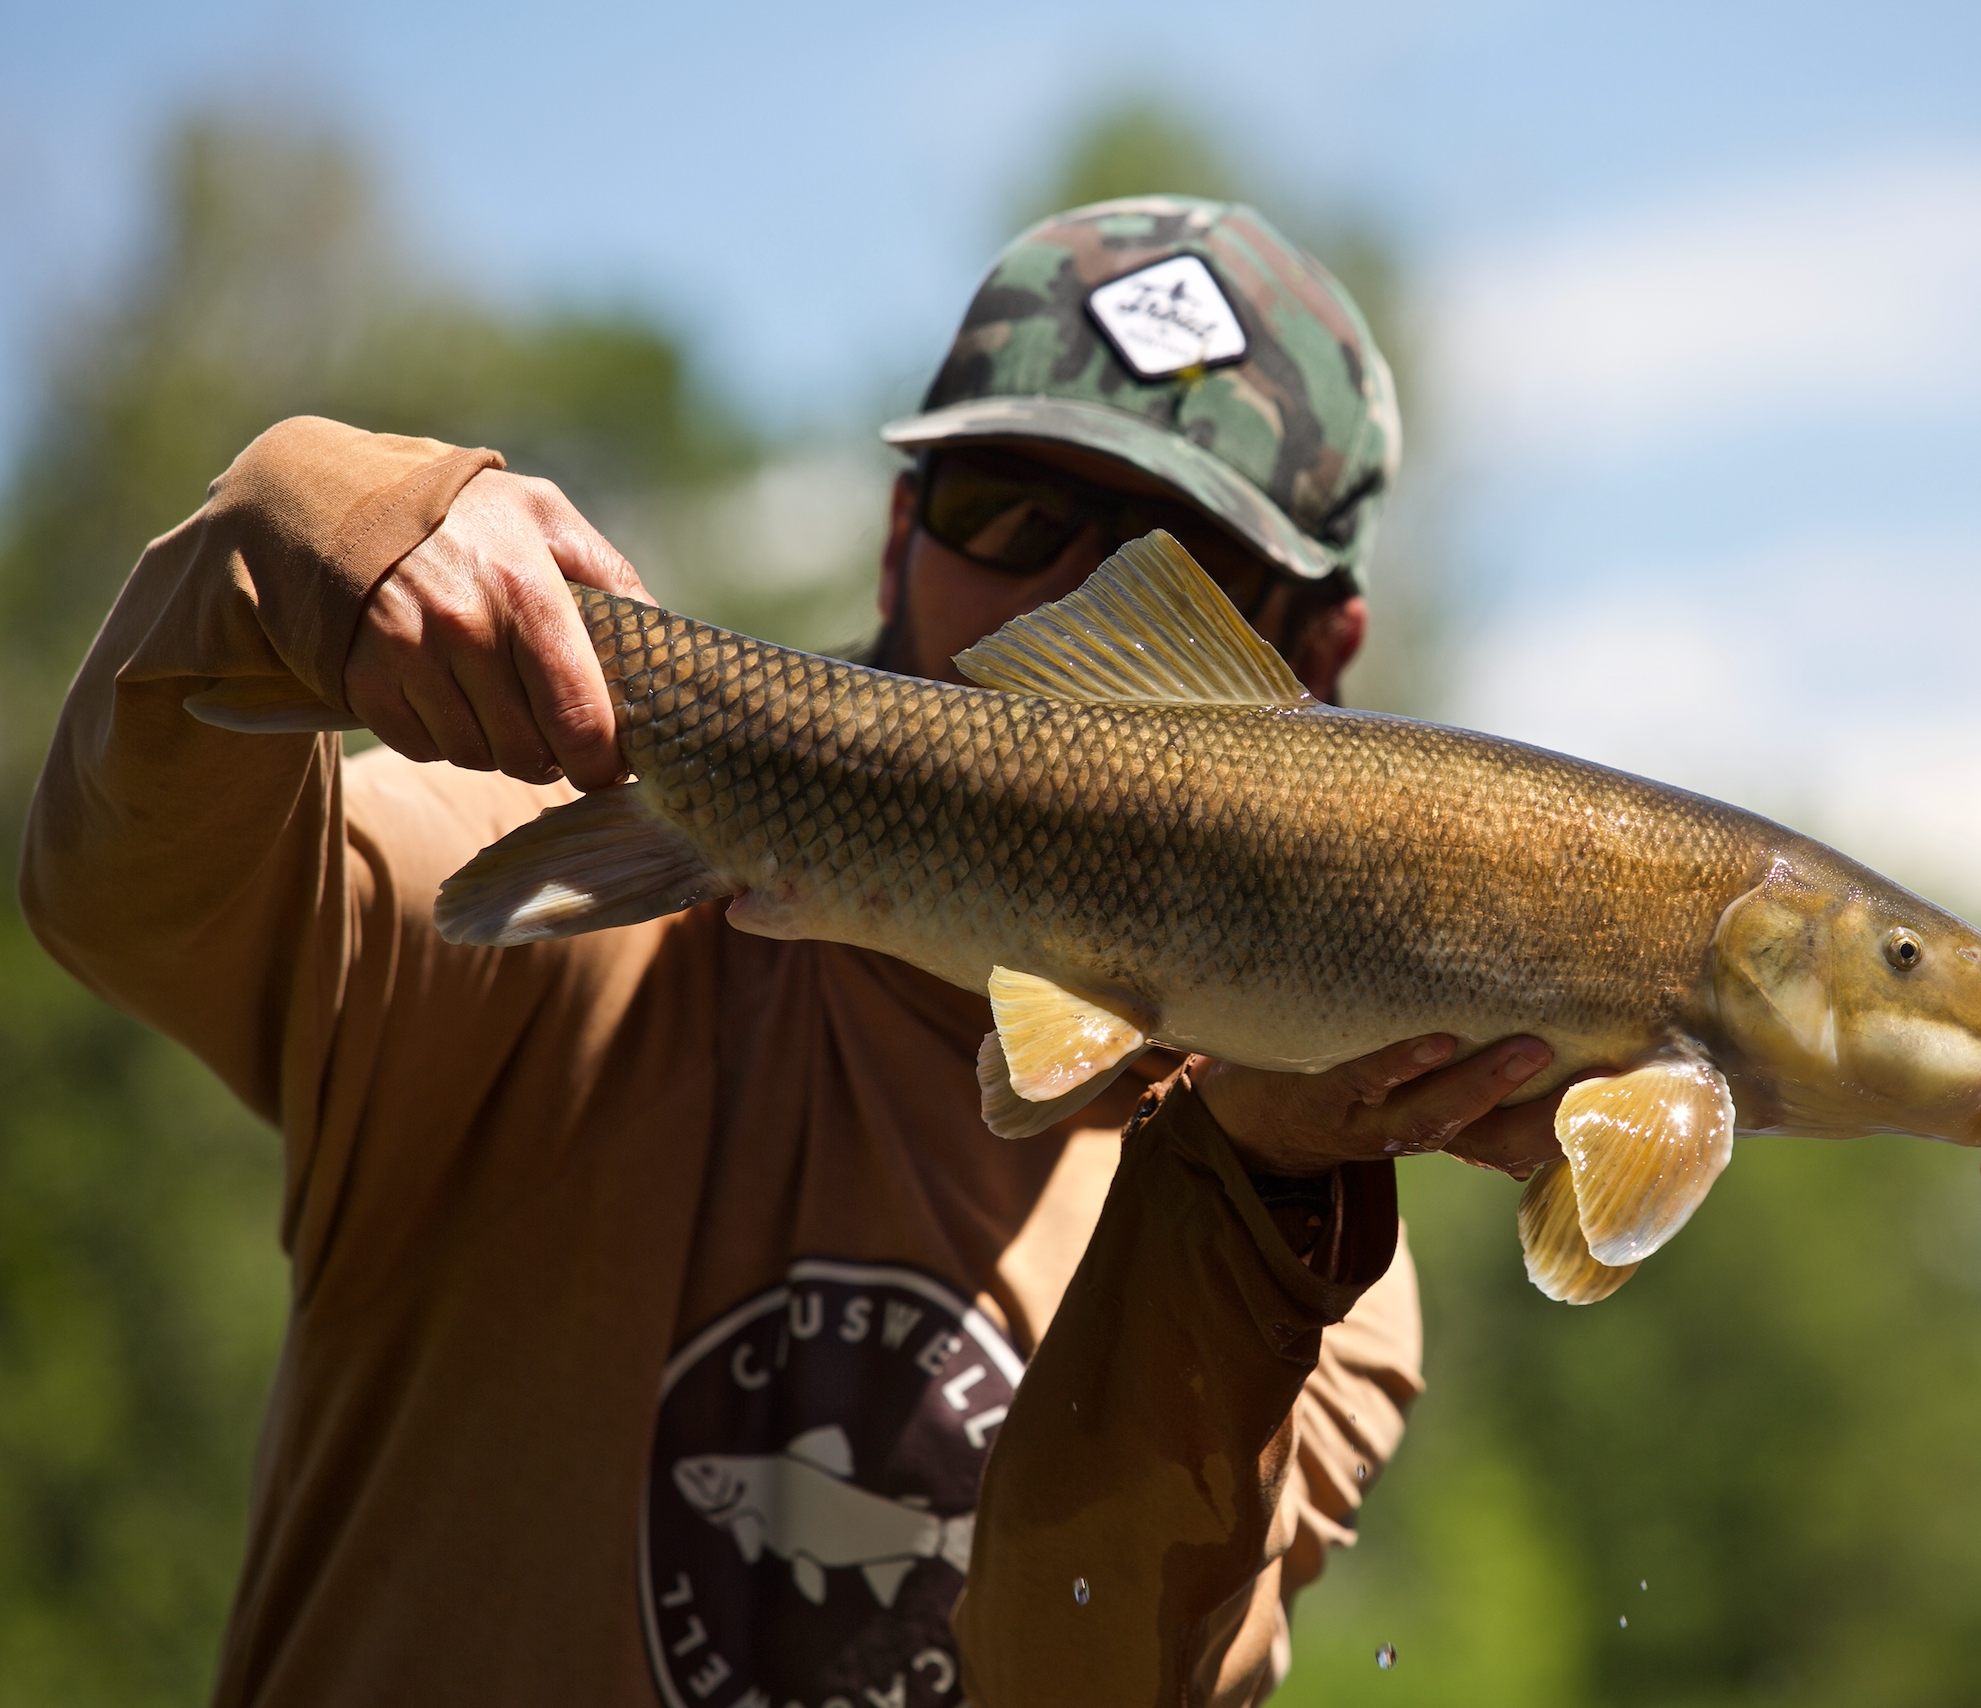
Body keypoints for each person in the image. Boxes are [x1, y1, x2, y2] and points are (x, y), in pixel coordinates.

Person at [21, 197, 1564, 1707]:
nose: (1069, 597)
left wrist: (1246, 1192)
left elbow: (1097, 1673)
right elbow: (123, 896)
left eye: (1182, 569)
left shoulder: (1313, 1247)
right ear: (899, 538)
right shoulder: (548, 888)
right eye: (1008, 510)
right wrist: (300, 522)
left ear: (1322, 662)